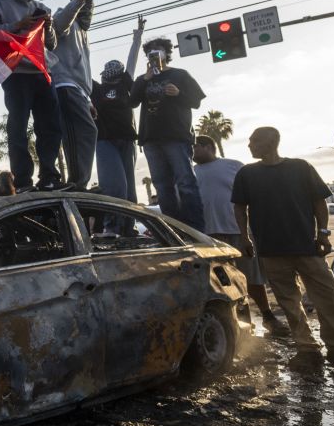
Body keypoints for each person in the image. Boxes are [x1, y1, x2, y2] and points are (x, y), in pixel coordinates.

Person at [231, 127, 334, 377]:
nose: (249, 145)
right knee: (289, 302)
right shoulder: (247, 174)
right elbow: (240, 208)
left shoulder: (300, 167)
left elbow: (319, 202)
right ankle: (307, 349)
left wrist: (324, 234)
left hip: (308, 247)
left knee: (328, 297)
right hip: (271, 250)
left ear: (271, 142)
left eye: (254, 141)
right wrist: (245, 237)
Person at [192, 135, 288, 338]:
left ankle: (268, 316)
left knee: (252, 278)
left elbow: (253, 196)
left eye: (195, 147)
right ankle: (241, 323)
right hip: (207, 238)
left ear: (209, 147)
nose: (191, 152)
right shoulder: (189, 173)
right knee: (222, 283)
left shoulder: (234, 166)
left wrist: (251, 231)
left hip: (238, 232)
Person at [0, 0, 62, 192]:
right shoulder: (0, 2)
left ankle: (49, 176)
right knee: (18, 127)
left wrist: (47, 26)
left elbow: (52, 45)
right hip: (16, 72)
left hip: (43, 71)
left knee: (50, 126)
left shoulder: (43, 8)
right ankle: (24, 181)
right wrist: (17, 25)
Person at [130, 37, 206, 230]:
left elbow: (196, 101)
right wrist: (145, 79)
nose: (154, 54)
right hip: (151, 138)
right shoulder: (142, 79)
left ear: (166, 53)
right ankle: (174, 229)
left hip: (177, 136)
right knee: (162, 186)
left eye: (158, 50)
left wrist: (179, 94)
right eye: (150, 52)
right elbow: (132, 102)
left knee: (185, 182)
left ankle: (195, 229)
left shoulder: (180, 75)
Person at [49, 0, 107, 189]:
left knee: (88, 131)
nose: (89, 10)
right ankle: (75, 182)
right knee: (76, 133)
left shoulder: (83, 32)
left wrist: (89, 100)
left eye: (91, 6)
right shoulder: (66, 20)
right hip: (65, 87)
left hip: (79, 91)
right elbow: (58, 24)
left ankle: (79, 181)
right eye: (86, 4)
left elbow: (82, 71)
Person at [92, 18, 145, 220]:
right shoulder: (96, 89)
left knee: (130, 186)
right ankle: (111, 225)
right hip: (105, 140)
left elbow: (132, 60)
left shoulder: (124, 83)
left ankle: (128, 227)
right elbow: (81, 68)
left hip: (127, 139)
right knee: (114, 185)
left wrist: (137, 36)